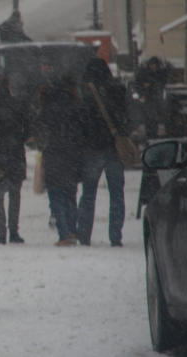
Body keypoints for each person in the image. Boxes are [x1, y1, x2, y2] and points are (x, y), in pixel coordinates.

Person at [77, 58, 128, 247]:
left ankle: (84, 234)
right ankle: (115, 235)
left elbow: (81, 121)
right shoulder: (117, 89)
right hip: (114, 147)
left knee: (88, 194)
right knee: (117, 194)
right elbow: (124, 117)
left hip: (92, 148)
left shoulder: (87, 91)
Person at [35, 74, 86, 246]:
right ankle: (72, 230)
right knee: (70, 195)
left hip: (54, 157)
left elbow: (40, 135)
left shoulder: (47, 110)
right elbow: (80, 132)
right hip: (72, 157)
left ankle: (63, 234)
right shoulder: (75, 107)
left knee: (56, 196)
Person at [0, 75, 29, 245]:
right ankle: (14, 231)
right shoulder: (17, 104)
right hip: (16, 153)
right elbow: (27, 127)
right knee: (15, 194)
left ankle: (1, 233)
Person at [134, 56, 168, 140]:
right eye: (153, 65)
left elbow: (161, 82)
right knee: (149, 117)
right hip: (148, 98)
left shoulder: (157, 73)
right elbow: (138, 85)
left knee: (153, 117)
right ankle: (150, 134)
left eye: (155, 65)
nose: (154, 67)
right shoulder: (144, 73)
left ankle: (153, 133)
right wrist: (142, 93)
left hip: (154, 98)